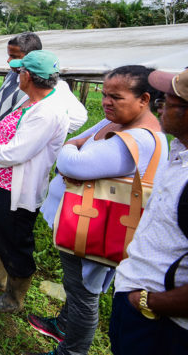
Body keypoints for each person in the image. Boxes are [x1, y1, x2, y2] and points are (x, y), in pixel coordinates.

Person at [24, 66, 166, 355]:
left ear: (144, 99)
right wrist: (73, 150)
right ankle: (63, 325)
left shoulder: (138, 138)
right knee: (78, 286)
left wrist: (73, 155)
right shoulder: (116, 122)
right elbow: (73, 148)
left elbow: (71, 162)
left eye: (116, 96)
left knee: (83, 294)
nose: (106, 102)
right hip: (85, 223)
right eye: (104, 94)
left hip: (96, 228)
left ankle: (72, 351)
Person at [0, 32, 88, 266]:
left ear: (32, 61)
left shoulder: (53, 90)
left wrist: (44, 133)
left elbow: (76, 117)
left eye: (16, 58)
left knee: (10, 223)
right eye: (9, 56)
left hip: (14, 166)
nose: (10, 62)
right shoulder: (13, 75)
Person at [0, 50, 69, 314]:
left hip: (17, 189)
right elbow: (3, 132)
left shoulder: (47, 112)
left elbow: (17, 152)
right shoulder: (31, 100)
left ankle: (14, 298)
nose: (16, 75)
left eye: (20, 71)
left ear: (28, 76)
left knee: (16, 242)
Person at [107, 68, 188, 355]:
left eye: (168, 101)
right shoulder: (178, 153)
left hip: (162, 322)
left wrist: (148, 302)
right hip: (139, 299)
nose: (160, 107)